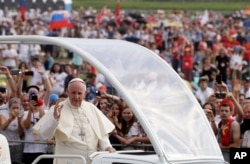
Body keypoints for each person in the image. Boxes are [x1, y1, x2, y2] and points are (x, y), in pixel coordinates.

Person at [33, 78, 116, 164]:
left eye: (79, 93)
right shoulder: (58, 108)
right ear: (67, 92)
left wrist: (107, 147)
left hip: (91, 161)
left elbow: (101, 133)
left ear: (85, 94)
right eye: (73, 93)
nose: (76, 97)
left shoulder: (92, 108)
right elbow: (45, 134)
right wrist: (55, 119)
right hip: (67, 161)